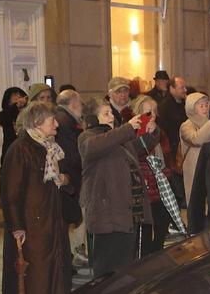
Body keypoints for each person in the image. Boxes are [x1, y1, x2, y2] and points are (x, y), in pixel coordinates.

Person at [0, 100, 73, 294]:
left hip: (52, 218)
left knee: (53, 268)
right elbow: (10, 192)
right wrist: (17, 225)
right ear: (38, 122)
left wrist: (66, 180)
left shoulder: (51, 147)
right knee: (30, 270)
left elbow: (67, 176)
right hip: (31, 223)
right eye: (53, 120)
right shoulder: (20, 149)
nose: (57, 125)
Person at [79, 96, 153, 277]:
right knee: (107, 268)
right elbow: (94, 147)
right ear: (93, 118)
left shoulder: (118, 137)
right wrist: (127, 128)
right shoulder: (87, 137)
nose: (111, 117)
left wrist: (151, 132)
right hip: (108, 215)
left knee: (126, 266)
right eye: (106, 114)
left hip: (128, 213)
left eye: (111, 112)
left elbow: (138, 148)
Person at [131, 95, 184, 255]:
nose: (152, 116)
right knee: (146, 233)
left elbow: (166, 156)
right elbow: (137, 154)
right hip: (145, 188)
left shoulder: (159, 131)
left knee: (161, 228)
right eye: (148, 113)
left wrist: (166, 172)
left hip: (161, 186)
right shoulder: (131, 132)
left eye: (154, 112)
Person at [179, 91, 210, 206]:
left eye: (206, 105)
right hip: (195, 171)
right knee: (196, 206)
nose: (205, 109)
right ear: (192, 108)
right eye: (201, 106)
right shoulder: (186, 125)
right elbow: (196, 139)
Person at [54, 89, 85, 232]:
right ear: (73, 104)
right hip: (68, 175)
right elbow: (72, 153)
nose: (82, 108)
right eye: (80, 104)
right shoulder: (66, 122)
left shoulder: (60, 117)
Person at [157, 75, 189, 203]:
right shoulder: (165, 106)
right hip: (172, 146)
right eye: (182, 87)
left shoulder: (184, 103)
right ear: (172, 88)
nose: (185, 90)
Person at [0, 87, 27, 160]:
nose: (18, 98)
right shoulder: (4, 114)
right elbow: (5, 119)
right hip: (10, 153)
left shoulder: (28, 113)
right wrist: (16, 106)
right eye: (15, 96)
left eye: (20, 96)